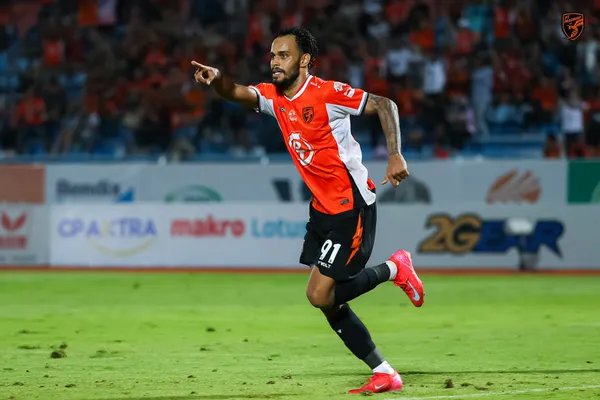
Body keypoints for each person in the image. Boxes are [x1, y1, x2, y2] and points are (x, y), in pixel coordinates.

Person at [192, 27, 425, 394]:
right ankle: (384, 372)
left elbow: (385, 104)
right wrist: (217, 77)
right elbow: (235, 92)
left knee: (319, 294)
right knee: (326, 301)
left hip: (351, 207)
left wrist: (395, 154)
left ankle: (395, 268)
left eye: (283, 55)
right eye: (272, 55)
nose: (274, 62)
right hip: (321, 211)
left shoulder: (327, 93)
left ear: (303, 60)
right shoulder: (274, 97)